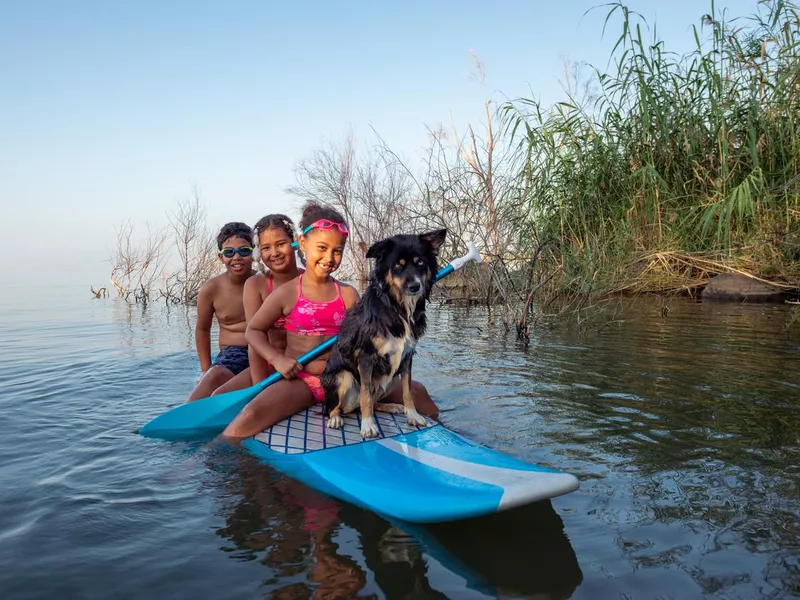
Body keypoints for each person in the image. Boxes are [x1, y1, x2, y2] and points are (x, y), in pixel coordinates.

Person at [223, 201, 438, 440]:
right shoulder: (288, 292)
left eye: (337, 251)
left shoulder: (348, 294)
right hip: (304, 380)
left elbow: (368, 339)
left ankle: (446, 440)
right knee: (250, 416)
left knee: (421, 394)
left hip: (352, 379)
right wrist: (277, 359)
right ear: (303, 245)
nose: (329, 257)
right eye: (322, 248)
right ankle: (234, 471)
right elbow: (254, 331)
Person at [210, 214, 303, 396]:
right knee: (217, 396)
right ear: (259, 252)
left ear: (295, 242)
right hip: (270, 365)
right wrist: (259, 388)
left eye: (281, 244)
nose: (274, 253)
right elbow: (253, 341)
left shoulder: (308, 280)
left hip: (303, 362)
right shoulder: (256, 285)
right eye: (266, 248)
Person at [186, 222, 255, 402]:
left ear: (253, 252)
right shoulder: (211, 289)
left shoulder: (264, 282)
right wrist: (205, 369)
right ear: (220, 256)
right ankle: (184, 414)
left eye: (244, 251)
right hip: (233, 353)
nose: (237, 257)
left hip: (264, 351)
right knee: (215, 375)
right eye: (229, 252)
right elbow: (202, 330)